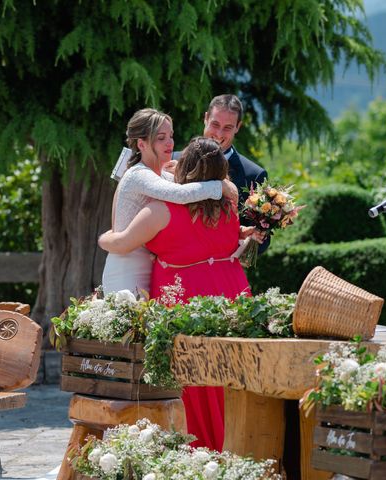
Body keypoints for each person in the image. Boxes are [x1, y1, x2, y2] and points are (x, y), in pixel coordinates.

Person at [99, 137, 262, 452]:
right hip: (230, 291)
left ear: (185, 169)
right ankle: (239, 440)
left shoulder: (160, 210)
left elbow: (122, 243)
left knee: (193, 375)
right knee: (230, 368)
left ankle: (200, 446)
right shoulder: (228, 203)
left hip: (187, 296)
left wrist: (104, 237)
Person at [102, 108, 237, 295]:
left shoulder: (163, 176)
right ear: (141, 144)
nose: (170, 143)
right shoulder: (137, 174)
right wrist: (220, 186)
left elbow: (191, 189)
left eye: (171, 136)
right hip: (127, 269)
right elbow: (181, 194)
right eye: (161, 138)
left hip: (154, 268)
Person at [202, 94, 270, 252]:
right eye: (215, 124)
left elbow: (261, 241)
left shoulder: (254, 175)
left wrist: (250, 238)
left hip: (222, 268)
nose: (219, 134)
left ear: (238, 127)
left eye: (227, 128)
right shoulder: (174, 159)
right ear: (205, 118)